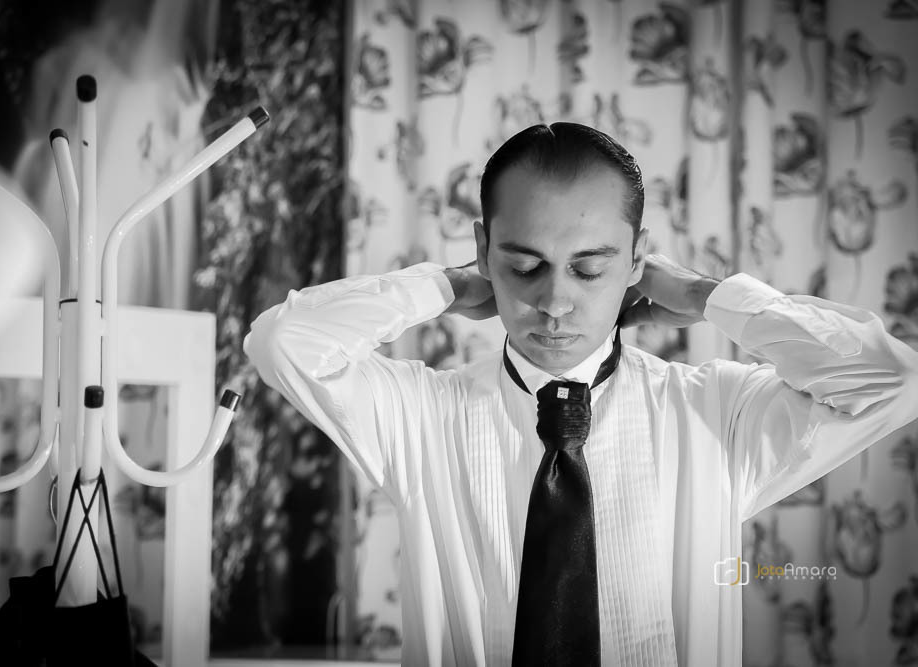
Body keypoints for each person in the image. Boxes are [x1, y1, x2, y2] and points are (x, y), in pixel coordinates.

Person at [243, 122, 918, 666]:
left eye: (589, 269)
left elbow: (892, 380)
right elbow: (282, 342)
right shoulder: (420, 416)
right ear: (484, 248)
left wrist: (708, 296)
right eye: (523, 265)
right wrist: (443, 286)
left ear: (636, 259)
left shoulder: (715, 415)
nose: (555, 302)